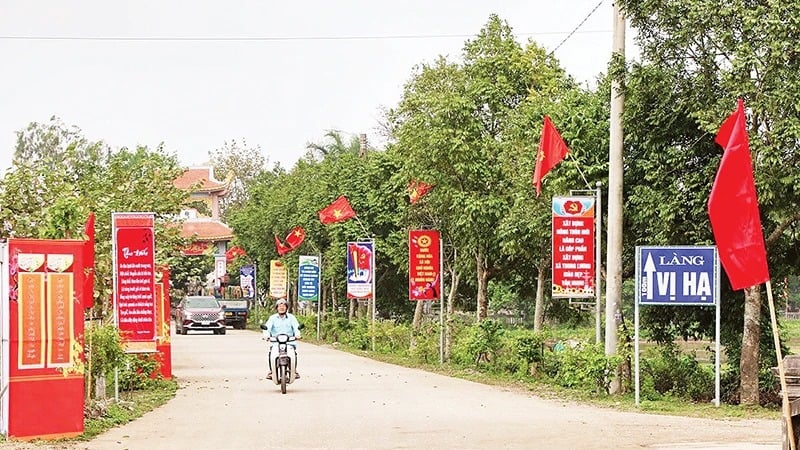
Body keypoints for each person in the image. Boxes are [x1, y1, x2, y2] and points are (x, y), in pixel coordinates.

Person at [264, 298, 301, 379]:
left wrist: (298, 335)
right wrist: (266, 336)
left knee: (293, 354)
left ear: (286, 308)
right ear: (277, 308)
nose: (282, 308)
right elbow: (267, 328)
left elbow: (296, 328)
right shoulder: (272, 318)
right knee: (271, 354)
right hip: (276, 343)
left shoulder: (292, 318)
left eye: (284, 306)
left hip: (289, 343)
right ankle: (271, 371)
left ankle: (294, 371)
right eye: (280, 306)